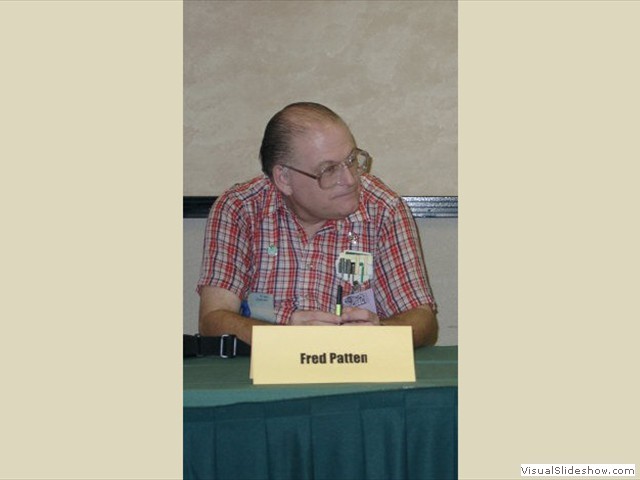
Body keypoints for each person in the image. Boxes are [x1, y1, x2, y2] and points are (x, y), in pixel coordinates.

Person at [197, 102, 438, 347]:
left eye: (352, 160)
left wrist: (380, 332)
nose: (350, 179)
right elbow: (212, 320)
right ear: (284, 178)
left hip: (354, 365)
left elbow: (424, 321)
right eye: (329, 169)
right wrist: (286, 339)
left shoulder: (383, 209)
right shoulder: (240, 208)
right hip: (263, 368)